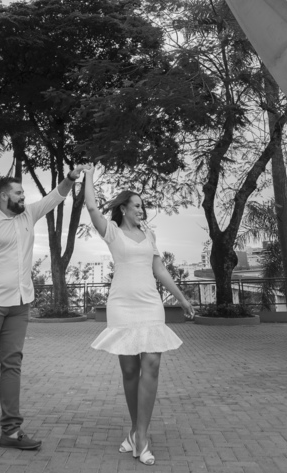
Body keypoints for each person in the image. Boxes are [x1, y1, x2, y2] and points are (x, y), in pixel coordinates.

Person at [0, 166, 88, 453]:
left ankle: (11, 430)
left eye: (23, 193)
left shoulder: (27, 216)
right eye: (18, 192)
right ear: (2, 196)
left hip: (20, 305)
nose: (24, 197)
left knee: (12, 365)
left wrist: (71, 179)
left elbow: (54, 198)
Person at [82, 164, 195, 466]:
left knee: (153, 364)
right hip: (121, 305)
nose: (142, 210)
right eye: (137, 206)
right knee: (130, 372)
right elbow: (91, 205)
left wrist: (181, 299)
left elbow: (159, 269)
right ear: (123, 209)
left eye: (143, 206)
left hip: (149, 304)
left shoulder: (149, 234)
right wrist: (89, 175)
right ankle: (134, 431)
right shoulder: (112, 232)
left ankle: (142, 435)